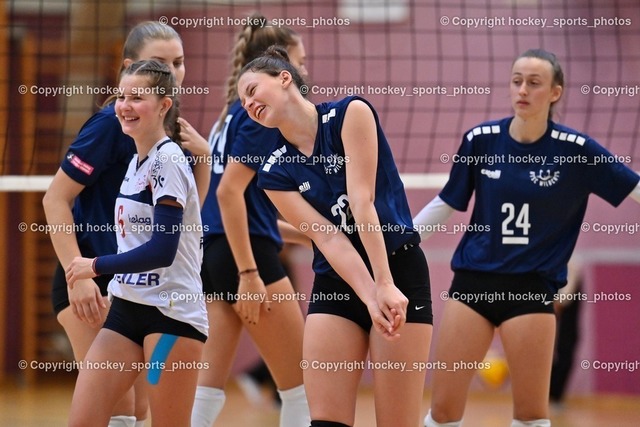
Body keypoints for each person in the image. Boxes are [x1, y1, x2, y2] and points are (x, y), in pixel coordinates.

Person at [413, 49, 640, 427]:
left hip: (532, 289)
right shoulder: (481, 140)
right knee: (443, 412)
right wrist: (397, 243)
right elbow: (447, 202)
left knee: (532, 415)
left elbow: (634, 188)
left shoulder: (576, 151)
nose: (522, 90)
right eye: (517, 80)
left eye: (534, 83)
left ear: (555, 92)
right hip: (473, 284)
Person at [237, 45, 433, 427]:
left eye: (251, 89)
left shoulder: (350, 114)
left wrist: (385, 286)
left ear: (284, 77)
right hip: (337, 280)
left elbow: (363, 205)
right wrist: (369, 294)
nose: (247, 103)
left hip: (397, 268)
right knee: (326, 421)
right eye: (242, 100)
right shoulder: (273, 173)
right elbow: (328, 238)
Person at [42, 21, 210, 427]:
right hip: (109, 288)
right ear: (128, 68)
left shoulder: (165, 148)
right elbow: (55, 198)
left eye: (178, 63)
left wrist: (203, 161)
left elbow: (178, 228)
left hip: (167, 307)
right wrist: (78, 273)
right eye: (159, 63)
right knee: (111, 410)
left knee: (138, 410)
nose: (172, 72)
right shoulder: (117, 131)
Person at [191, 15, 310, 427]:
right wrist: (249, 272)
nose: (304, 71)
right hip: (244, 258)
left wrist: (312, 236)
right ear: (278, 69)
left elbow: (246, 211)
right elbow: (227, 195)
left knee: (207, 388)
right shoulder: (261, 115)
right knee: (301, 387)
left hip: (216, 252)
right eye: (299, 61)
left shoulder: (229, 115)